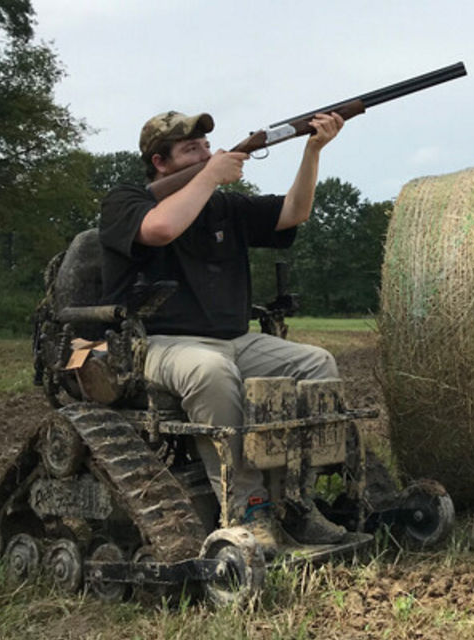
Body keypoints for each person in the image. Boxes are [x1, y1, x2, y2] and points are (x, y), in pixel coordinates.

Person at [98, 110, 347, 547]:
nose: (207, 153)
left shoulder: (224, 205)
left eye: (207, 147)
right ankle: (247, 510)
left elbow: (293, 213)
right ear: (160, 162)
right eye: (191, 148)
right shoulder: (126, 199)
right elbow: (159, 229)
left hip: (235, 339)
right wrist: (210, 176)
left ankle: (296, 499)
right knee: (209, 371)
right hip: (155, 343)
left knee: (315, 363)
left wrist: (313, 150)